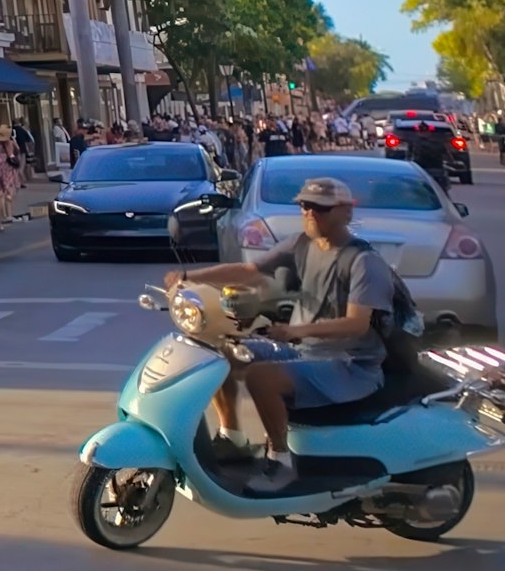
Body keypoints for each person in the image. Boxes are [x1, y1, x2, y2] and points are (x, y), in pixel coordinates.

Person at [170, 175, 400, 492]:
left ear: (346, 211)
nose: (310, 213)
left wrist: (296, 330)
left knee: (262, 377)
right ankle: (232, 437)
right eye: (305, 206)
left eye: (320, 208)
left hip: (350, 364)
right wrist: (188, 277)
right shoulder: (302, 245)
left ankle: (280, 460)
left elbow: (356, 323)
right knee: (221, 352)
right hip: (305, 351)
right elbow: (250, 271)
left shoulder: (363, 261)